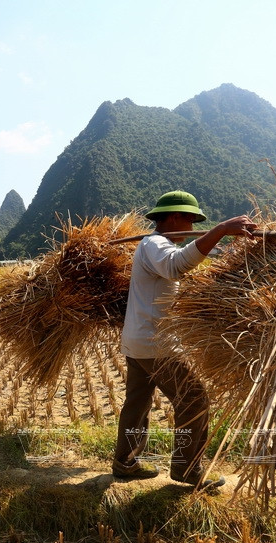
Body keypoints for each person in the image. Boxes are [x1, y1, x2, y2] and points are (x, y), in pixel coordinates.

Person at [112, 190, 258, 490]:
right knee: (194, 400)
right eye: (190, 221)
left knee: (137, 404)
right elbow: (176, 265)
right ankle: (187, 469)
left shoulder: (152, 245)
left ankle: (124, 462)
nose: (192, 229)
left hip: (140, 341)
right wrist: (219, 231)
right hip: (156, 345)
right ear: (175, 216)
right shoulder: (154, 244)